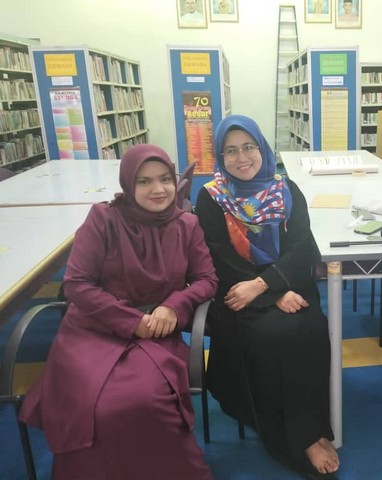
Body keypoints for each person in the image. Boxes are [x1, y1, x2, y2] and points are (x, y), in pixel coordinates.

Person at [19, 145, 218, 479]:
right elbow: (76, 284)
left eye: (165, 179)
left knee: (144, 401)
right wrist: (131, 321)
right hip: (93, 329)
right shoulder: (103, 219)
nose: (158, 189)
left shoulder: (187, 225)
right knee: (91, 404)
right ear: (128, 183)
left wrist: (174, 305)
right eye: (144, 181)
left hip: (156, 332)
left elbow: (206, 279)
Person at [195, 115, 338, 479]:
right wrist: (267, 294)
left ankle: (313, 427)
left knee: (311, 329)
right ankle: (295, 438)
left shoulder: (286, 189)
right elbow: (216, 257)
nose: (241, 157)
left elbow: (302, 248)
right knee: (276, 335)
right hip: (237, 292)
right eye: (230, 151)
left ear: (262, 148)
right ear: (220, 156)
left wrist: (267, 284)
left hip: (286, 284)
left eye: (248, 147)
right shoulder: (211, 197)